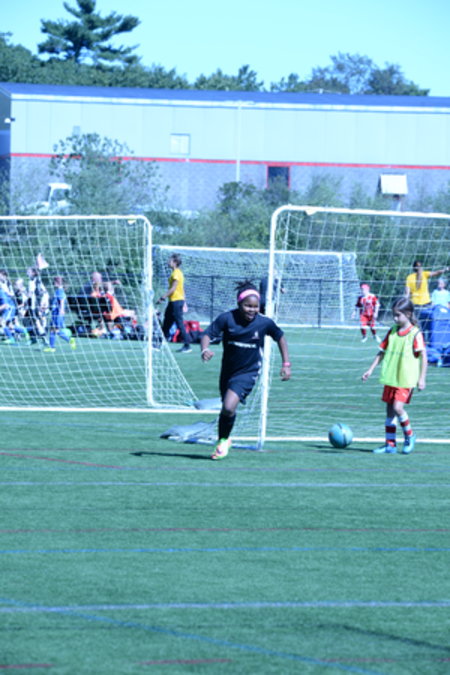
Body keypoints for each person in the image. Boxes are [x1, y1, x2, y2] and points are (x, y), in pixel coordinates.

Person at [200, 280, 291, 460]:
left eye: (255, 307)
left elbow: (280, 337)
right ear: (239, 304)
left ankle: (222, 442)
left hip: (248, 372)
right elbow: (207, 334)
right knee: (227, 410)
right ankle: (224, 439)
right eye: (247, 306)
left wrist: (286, 364)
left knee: (228, 406)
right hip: (228, 371)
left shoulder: (264, 323)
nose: (252, 310)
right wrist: (204, 349)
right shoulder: (227, 318)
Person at [361, 296, 427, 455]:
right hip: (391, 377)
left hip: (406, 379)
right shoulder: (392, 331)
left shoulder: (415, 333)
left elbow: (423, 356)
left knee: (398, 408)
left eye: (398, 315)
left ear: (408, 314)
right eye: (393, 315)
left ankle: (410, 436)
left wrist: (422, 378)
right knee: (390, 411)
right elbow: (382, 351)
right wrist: (370, 370)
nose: (395, 318)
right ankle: (390, 444)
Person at [157, 253, 191, 353]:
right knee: (167, 323)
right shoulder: (176, 273)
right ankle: (159, 344)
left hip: (176, 302)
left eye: (170, 260)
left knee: (179, 323)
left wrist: (163, 297)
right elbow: (182, 289)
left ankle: (187, 345)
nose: (168, 262)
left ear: (175, 262)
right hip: (174, 301)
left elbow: (173, 288)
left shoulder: (176, 273)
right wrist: (184, 301)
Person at [43, 276, 77, 353]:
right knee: (54, 330)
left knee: (55, 330)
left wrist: (61, 310)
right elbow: (55, 303)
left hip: (57, 314)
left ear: (58, 283)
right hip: (55, 313)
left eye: (54, 282)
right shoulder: (58, 291)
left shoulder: (60, 291)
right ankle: (53, 347)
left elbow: (62, 301)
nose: (53, 283)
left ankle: (67, 341)